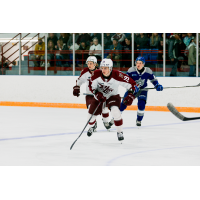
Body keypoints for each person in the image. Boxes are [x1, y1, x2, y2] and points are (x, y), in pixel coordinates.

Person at [87, 58, 139, 141]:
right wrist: (97, 93)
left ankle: (120, 132)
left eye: (105, 68)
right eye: (102, 68)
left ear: (110, 68)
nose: (103, 70)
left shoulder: (118, 75)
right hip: (99, 96)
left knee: (115, 111)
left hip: (113, 96)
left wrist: (131, 95)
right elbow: (91, 86)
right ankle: (92, 126)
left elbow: (133, 85)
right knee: (90, 117)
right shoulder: (96, 74)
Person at [72, 56, 113, 134]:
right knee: (91, 109)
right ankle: (93, 125)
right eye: (88, 63)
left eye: (91, 63)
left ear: (95, 64)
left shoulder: (101, 72)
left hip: (100, 95)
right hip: (90, 95)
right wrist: (77, 87)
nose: (89, 65)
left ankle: (105, 122)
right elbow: (79, 80)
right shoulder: (85, 72)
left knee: (104, 109)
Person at [119, 56, 163, 126]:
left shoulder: (148, 71)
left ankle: (139, 120)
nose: (138, 65)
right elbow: (126, 81)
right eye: (137, 63)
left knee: (141, 104)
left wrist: (157, 85)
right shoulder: (131, 70)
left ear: (143, 64)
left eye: (140, 63)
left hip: (143, 90)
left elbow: (153, 79)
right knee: (124, 103)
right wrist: (132, 87)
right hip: (132, 90)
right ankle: (115, 118)